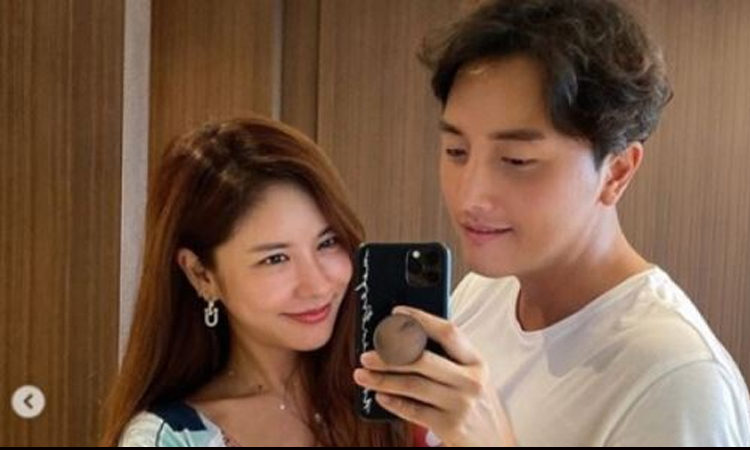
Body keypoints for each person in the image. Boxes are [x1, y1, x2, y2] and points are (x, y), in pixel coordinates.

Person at [354, 0, 750, 446]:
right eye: (456, 152)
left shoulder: (679, 383)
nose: (471, 195)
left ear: (616, 172)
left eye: (517, 160)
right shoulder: (486, 292)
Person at [100, 117, 404, 446]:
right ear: (201, 274)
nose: (317, 285)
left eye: (327, 242)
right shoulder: (169, 438)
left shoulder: (397, 397)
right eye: (275, 258)